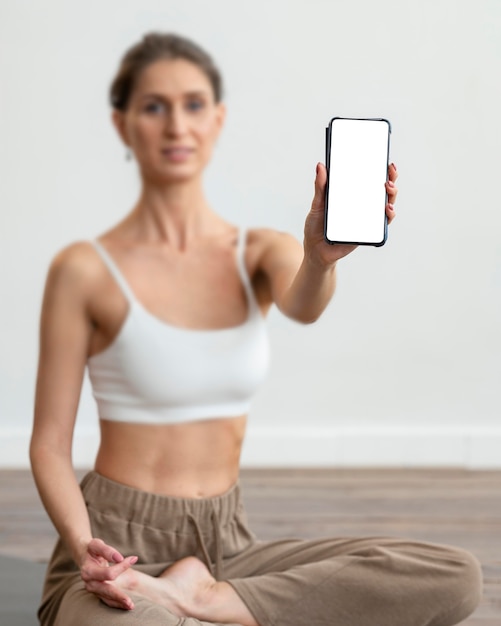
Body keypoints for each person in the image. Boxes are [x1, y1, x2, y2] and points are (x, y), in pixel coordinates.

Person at [30, 32, 481, 626]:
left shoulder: (256, 252)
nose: (176, 125)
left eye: (193, 105)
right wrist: (85, 543)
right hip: (116, 546)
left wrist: (319, 258)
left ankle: (208, 600)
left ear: (217, 120)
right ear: (122, 124)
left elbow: (303, 306)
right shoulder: (83, 271)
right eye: (153, 106)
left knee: (455, 577)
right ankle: (189, 604)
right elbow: (49, 445)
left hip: (228, 546)